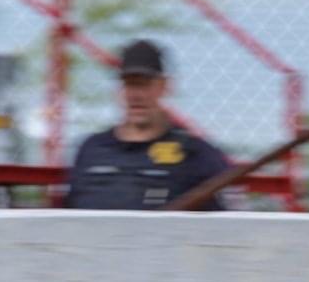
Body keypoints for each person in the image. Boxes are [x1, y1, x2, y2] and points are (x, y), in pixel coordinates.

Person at [63, 40, 230, 211]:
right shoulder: (91, 150)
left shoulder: (196, 155)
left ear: (165, 86)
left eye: (144, 84)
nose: (136, 95)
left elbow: (226, 228)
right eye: (129, 84)